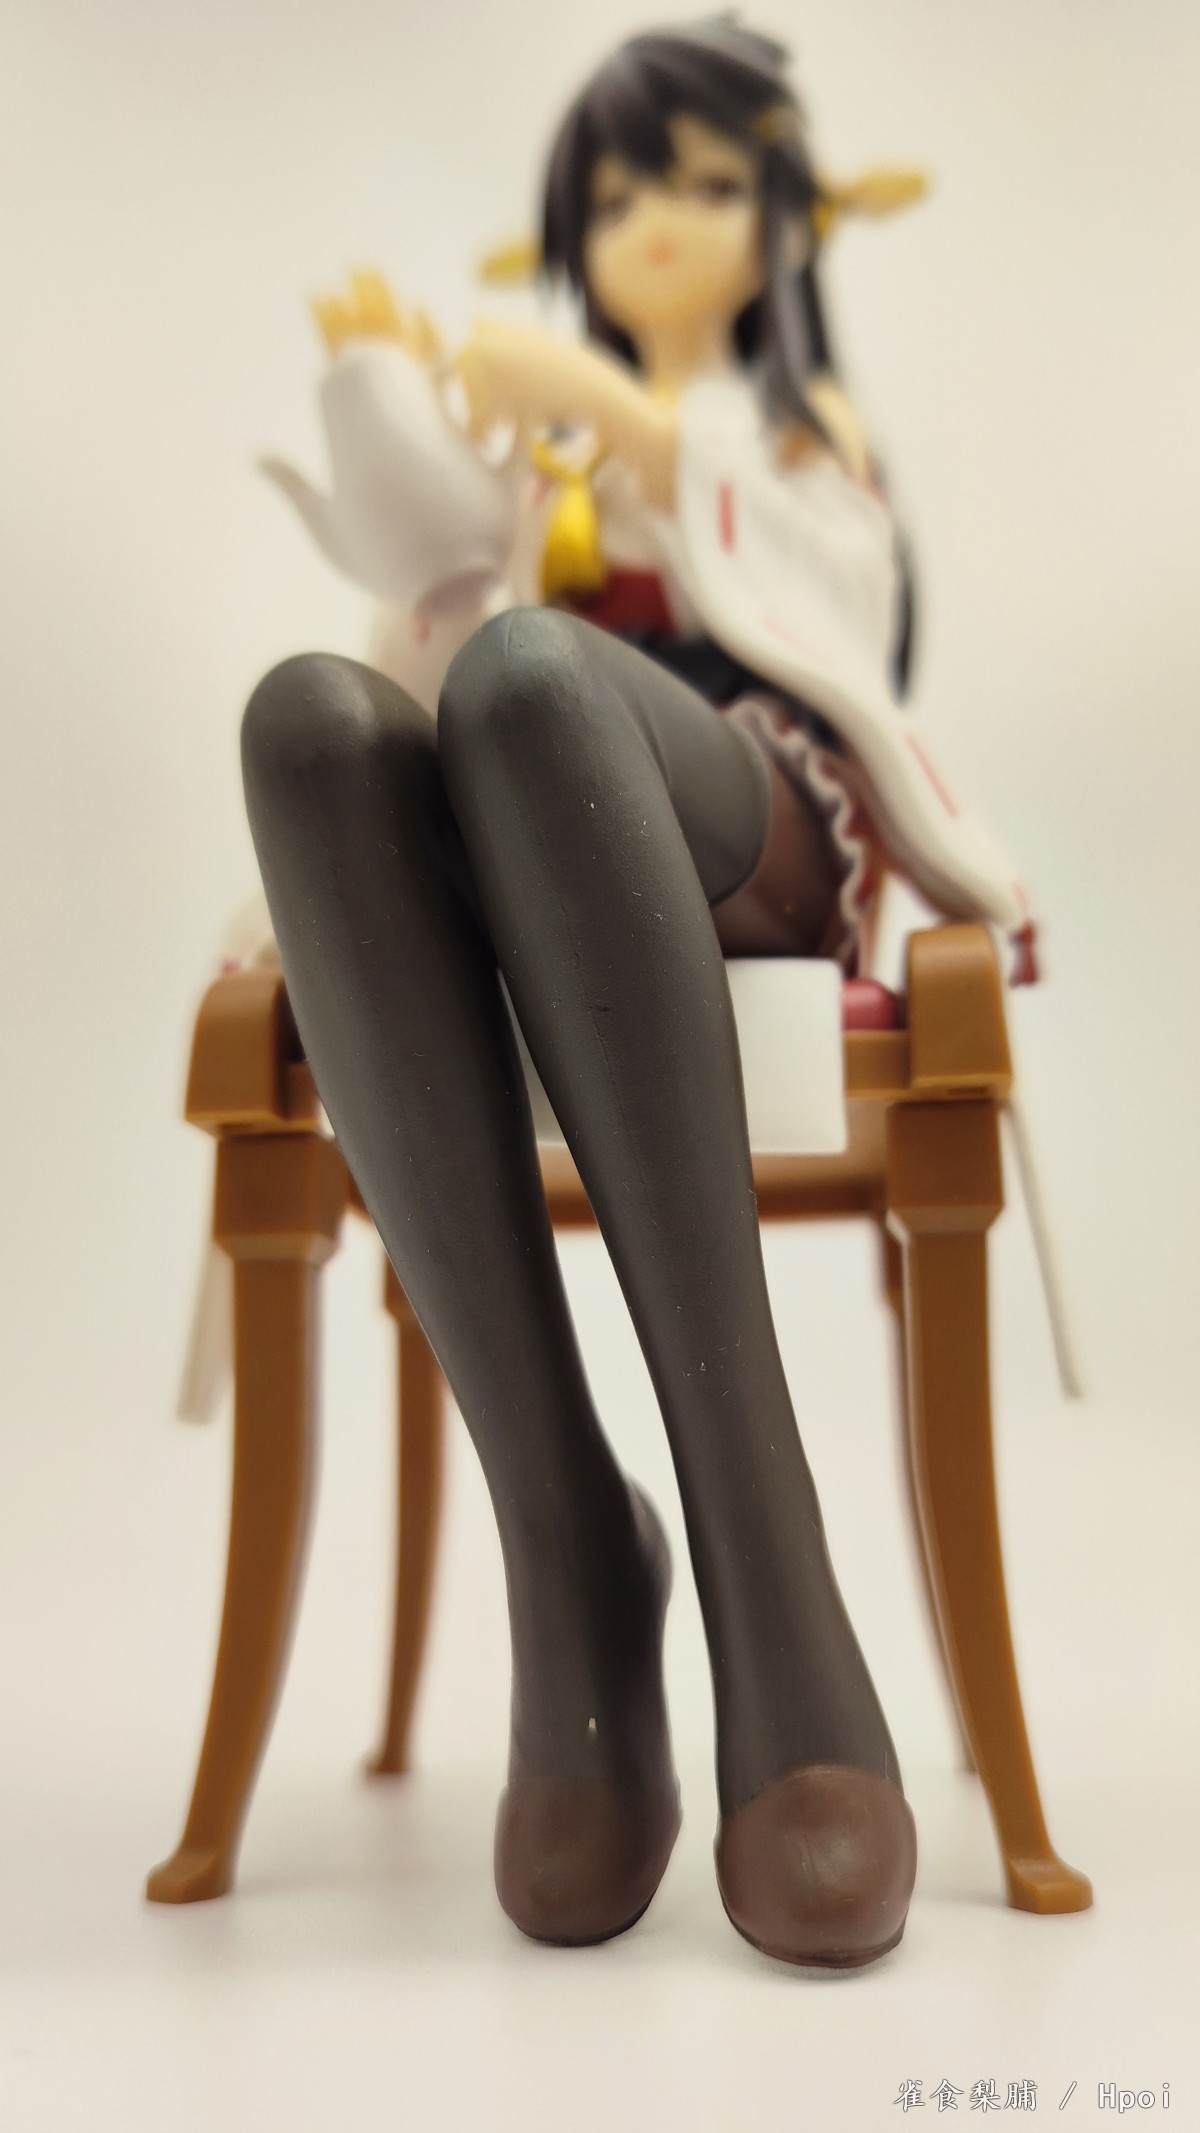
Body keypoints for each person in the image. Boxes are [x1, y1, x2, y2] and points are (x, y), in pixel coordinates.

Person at [243, 17, 1031, 1968]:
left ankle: (759, 1531)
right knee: (321, 727)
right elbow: (425, 626)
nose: (655, 224)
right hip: (547, 848)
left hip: (758, 816)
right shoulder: (539, 455)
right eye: (614, 195)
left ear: (781, 220)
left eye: (701, 184)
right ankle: (570, 1542)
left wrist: (629, 426)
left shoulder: (789, 435)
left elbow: (846, 604)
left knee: (534, 682)